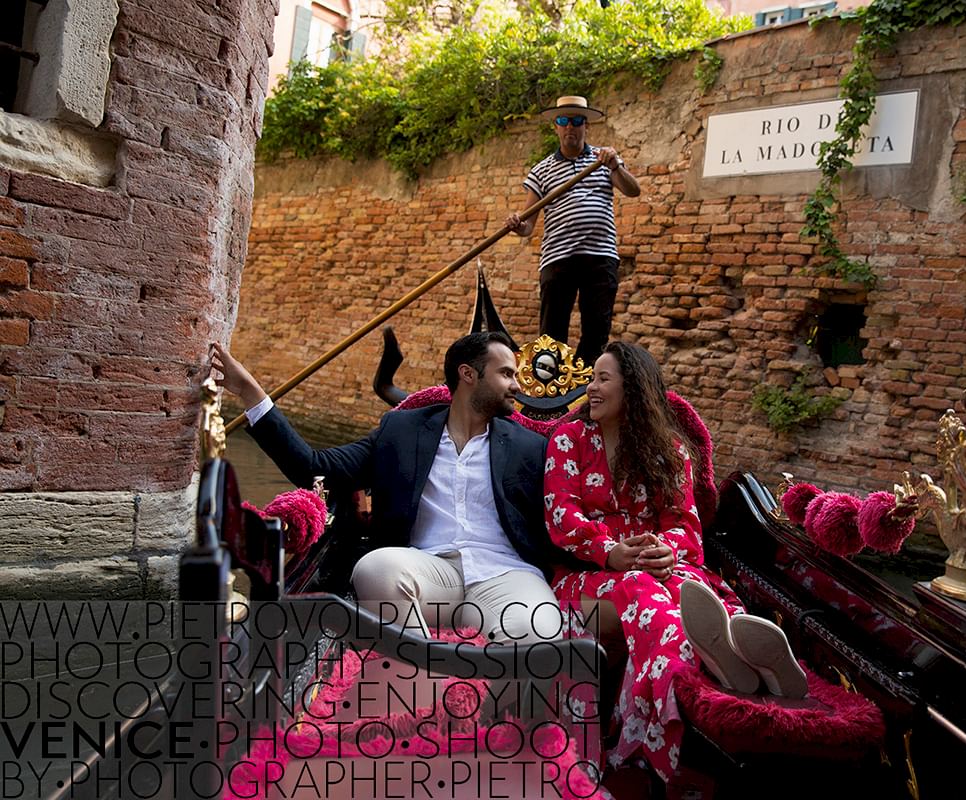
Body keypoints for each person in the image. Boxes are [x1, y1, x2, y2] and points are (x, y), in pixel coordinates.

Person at [543, 341, 807, 786]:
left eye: (602, 380)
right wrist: (612, 552)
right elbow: (560, 513)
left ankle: (741, 662)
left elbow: (685, 525)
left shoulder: (668, 451)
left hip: (654, 571)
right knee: (646, 590)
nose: (591, 390)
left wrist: (665, 549)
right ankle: (661, 725)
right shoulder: (568, 439)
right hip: (586, 579)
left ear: (635, 389)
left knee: (692, 587)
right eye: (592, 380)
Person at [209, 332, 562, 643]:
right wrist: (250, 393)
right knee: (374, 569)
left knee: (539, 632)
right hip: (426, 571)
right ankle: (429, 678)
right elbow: (316, 469)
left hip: (504, 575)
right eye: (506, 374)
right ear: (468, 374)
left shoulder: (529, 446)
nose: (517, 385)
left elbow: (572, 499)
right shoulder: (401, 431)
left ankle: (475, 695)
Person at [505, 96, 641, 367]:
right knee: (551, 336)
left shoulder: (604, 158)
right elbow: (528, 225)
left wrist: (615, 166)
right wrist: (518, 225)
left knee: (597, 331)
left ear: (585, 125)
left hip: (600, 257)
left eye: (577, 120)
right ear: (555, 126)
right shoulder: (541, 170)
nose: (570, 127)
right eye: (563, 120)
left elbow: (633, 190)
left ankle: (585, 391)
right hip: (558, 258)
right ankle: (549, 396)